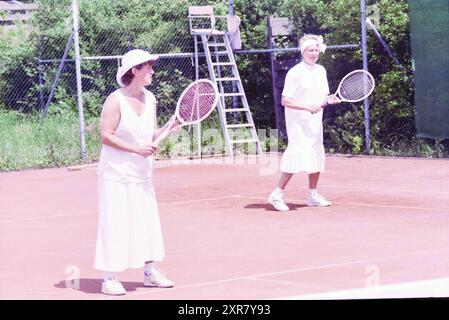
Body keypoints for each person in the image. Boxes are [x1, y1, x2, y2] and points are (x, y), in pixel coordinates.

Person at [94, 49, 177, 295]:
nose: (152, 71)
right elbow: (106, 136)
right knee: (115, 222)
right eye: (148, 67)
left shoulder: (150, 98)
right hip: (115, 174)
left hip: (142, 174)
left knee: (148, 222)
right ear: (134, 71)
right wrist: (136, 150)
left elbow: (150, 134)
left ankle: (150, 272)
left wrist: (170, 127)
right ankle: (109, 277)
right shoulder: (115, 100)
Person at [268, 34, 340, 212]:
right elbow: (285, 100)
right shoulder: (295, 73)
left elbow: (323, 95)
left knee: (316, 154)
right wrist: (307, 107)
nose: (313, 53)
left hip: (315, 122)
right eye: (310, 50)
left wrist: (330, 99)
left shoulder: (320, 70)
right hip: (298, 122)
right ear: (303, 51)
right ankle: (276, 194)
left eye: (316, 50)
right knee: (297, 155)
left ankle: (312, 195)